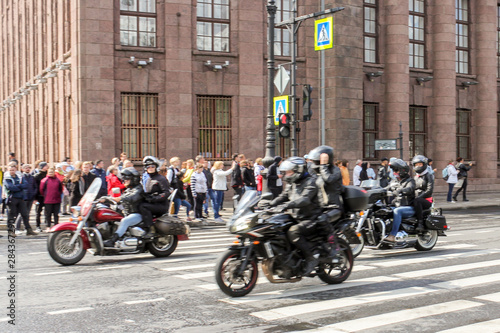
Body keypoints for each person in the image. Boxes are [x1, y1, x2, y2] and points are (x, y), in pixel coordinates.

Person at [269, 157, 322, 275]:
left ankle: (311, 257)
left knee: (294, 231)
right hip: (296, 217)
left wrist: (287, 205)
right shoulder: (292, 184)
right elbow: (283, 196)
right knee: (276, 228)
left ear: (298, 170)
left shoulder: (311, 182)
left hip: (310, 217)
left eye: (289, 172)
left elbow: (305, 199)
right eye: (286, 172)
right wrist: (270, 203)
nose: (287, 175)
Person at [103, 168, 145, 247]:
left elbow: (132, 197)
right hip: (127, 213)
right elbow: (121, 197)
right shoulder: (129, 189)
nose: (125, 181)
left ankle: (112, 241)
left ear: (134, 179)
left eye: (127, 179)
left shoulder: (139, 189)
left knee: (125, 221)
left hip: (137, 214)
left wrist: (121, 198)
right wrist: (105, 199)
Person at [383, 159, 416, 243]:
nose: (394, 172)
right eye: (393, 170)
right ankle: (382, 232)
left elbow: (409, 188)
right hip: (396, 205)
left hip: (408, 207)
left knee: (398, 211)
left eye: (396, 170)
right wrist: (377, 191)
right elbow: (386, 188)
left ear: (403, 170)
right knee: (382, 210)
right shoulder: (394, 181)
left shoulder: (410, 181)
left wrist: (400, 190)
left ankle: (392, 235)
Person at [139, 156, 169, 236]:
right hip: (152, 203)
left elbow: (166, 193)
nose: (151, 168)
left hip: (161, 205)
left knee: (143, 206)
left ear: (156, 167)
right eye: (148, 166)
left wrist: (155, 198)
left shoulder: (161, 179)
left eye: (153, 166)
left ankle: (150, 229)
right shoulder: (147, 179)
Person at [3, 164, 34, 237]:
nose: (12, 171)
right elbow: (10, 187)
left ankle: (28, 230)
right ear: (8, 170)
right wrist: (20, 186)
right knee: (12, 215)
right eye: (10, 170)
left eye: (13, 170)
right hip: (12, 198)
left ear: (16, 170)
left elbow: (26, 185)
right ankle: (11, 231)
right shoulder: (7, 178)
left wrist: (17, 187)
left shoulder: (20, 177)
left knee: (25, 214)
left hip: (20, 198)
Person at [411, 155, 434, 232]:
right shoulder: (415, 177)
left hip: (426, 200)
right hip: (416, 199)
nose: (418, 166)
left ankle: (420, 223)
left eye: (420, 164)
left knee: (417, 201)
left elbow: (429, 190)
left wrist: (420, 197)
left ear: (424, 164)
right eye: (416, 164)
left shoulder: (428, 176)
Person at [15, 164, 38, 235]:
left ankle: (27, 228)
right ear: (22, 169)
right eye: (26, 168)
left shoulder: (32, 177)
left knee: (27, 213)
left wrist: (34, 195)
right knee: (21, 214)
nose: (28, 169)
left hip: (30, 197)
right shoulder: (20, 177)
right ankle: (17, 228)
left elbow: (35, 187)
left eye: (29, 168)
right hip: (23, 198)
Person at [34, 162, 49, 232]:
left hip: (47, 196)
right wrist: (35, 198)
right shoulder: (37, 176)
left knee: (47, 211)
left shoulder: (48, 175)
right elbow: (35, 187)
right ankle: (38, 226)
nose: (47, 167)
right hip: (39, 196)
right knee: (38, 212)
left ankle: (47, 225)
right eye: (46, 166)